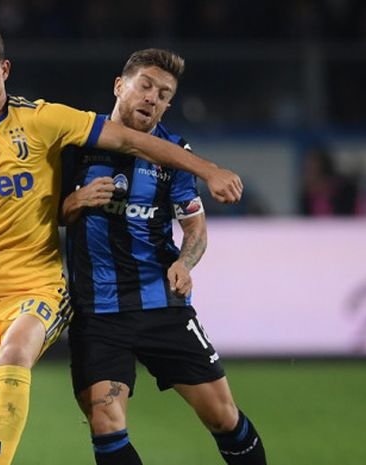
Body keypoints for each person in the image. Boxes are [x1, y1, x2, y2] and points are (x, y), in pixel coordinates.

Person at [0, 23, 243, 465]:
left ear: (3, 69)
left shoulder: (45, 119)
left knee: (15, 355)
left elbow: (134, 141)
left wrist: (209, 171)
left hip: (37, 285)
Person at [61, 48, 267, 465]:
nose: (152, 97)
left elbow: (195, 227)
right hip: (98, 313)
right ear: (120, 86)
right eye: (146, 85)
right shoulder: (77, 143)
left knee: (224, 417)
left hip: (162, 305)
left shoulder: (175, 154)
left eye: (163, 92)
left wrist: (184, 263)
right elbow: (46, 214)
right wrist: (77, 200)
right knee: (106, 422)